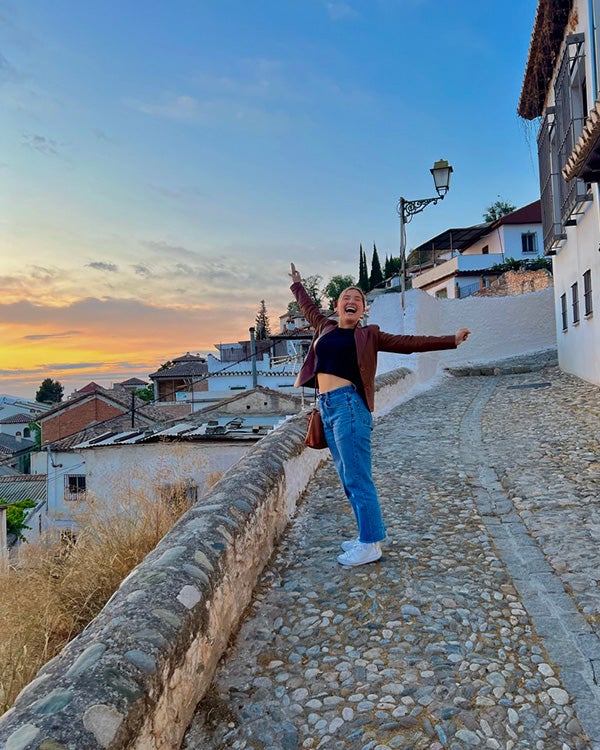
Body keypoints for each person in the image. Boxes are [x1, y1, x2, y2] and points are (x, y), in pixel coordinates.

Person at [289, 262, 471, 567]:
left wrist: (449, 340)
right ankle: (365, 534)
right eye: (347, 297)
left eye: (358, 300)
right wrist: (297, 285)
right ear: (337, 306)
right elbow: (308, 309)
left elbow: (409, 344)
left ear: (363, 311)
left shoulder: (369, 335)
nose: (352, 301)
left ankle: (371, 543)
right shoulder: (325, 328)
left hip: (350, 408)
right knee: (348, 478)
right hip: (327, 408)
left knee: (359, 478)